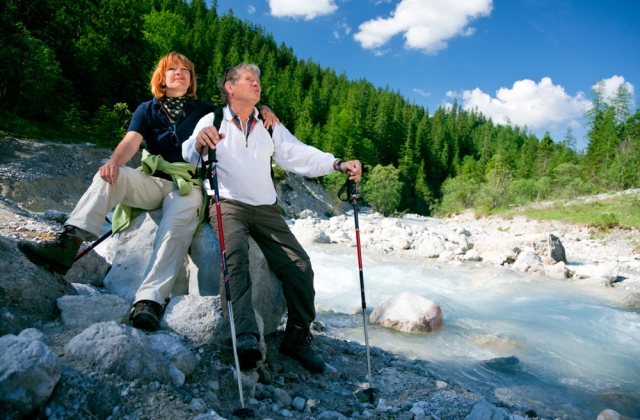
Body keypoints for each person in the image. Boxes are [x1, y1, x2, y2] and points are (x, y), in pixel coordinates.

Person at [18, 52, 278, 331]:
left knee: (175, 227)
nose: (180, 73)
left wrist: (263, 109)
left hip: (187, 185)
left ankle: (149, 300)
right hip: (151, 181)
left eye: (186, 71)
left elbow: (237, 106)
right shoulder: (146, 109)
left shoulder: (204, 109)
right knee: (108, 177)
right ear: (162, 79)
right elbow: (131, 142)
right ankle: (68, 243)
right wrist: (113, 162)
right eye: (173, 69)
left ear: (191, 80)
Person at [181, 63, 362, 373]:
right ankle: (246, 334)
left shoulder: (268, 125)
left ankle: (297, 338)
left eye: (259, 81)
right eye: (250, 79)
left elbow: (296, 153)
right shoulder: (211, 120)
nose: (257, 84)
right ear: (230, 86)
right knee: (235, 256)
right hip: (228, 204)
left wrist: (337, 163)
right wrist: (200, 141)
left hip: (266, 209)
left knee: (300, 266)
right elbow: (189, 153)